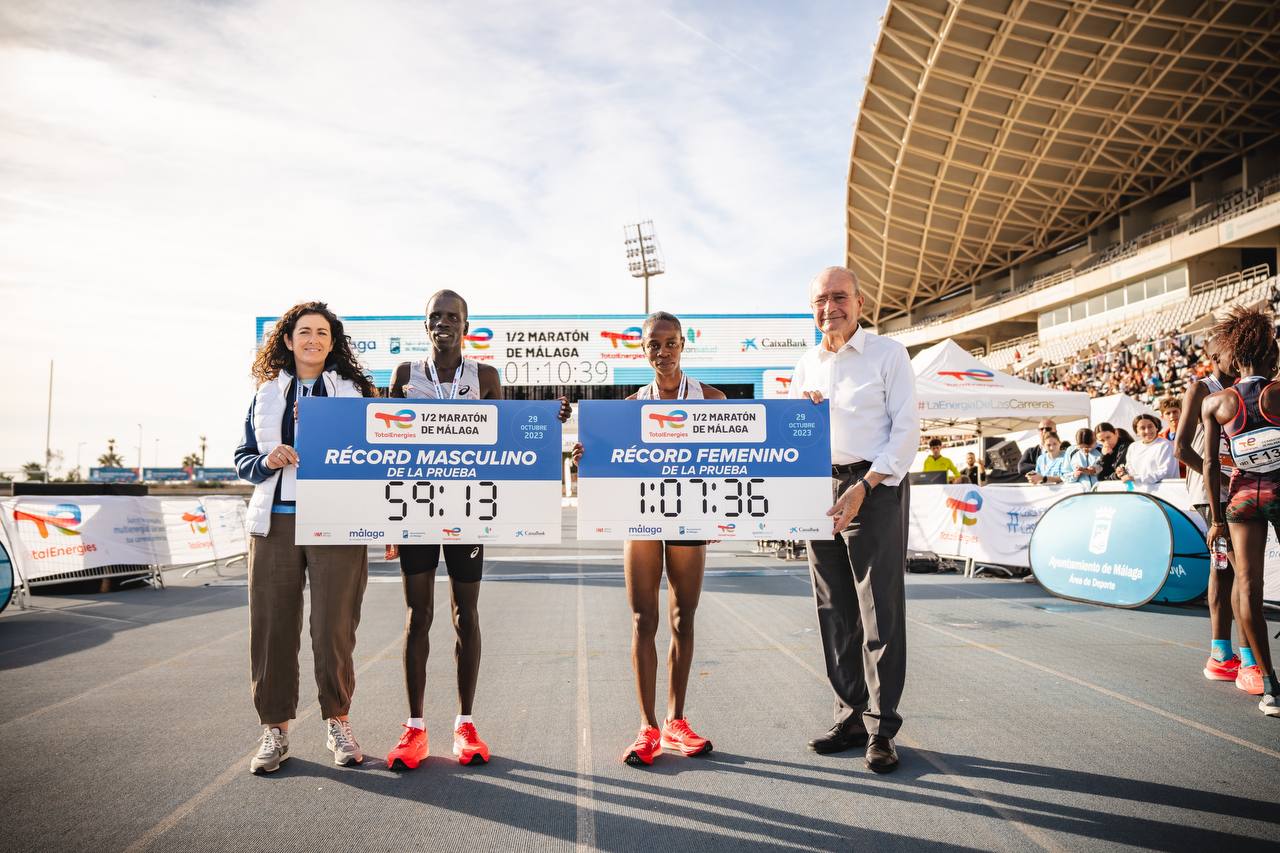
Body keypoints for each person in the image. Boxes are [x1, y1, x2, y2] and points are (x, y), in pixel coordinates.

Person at [383, 289, 572, 769]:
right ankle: (415, 728)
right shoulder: (404, 376)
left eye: (452, 316)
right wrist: (384, 520)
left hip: (468, 508)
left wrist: (550, 420)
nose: (443, 323)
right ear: (424, 324)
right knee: (417, 616)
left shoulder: (484, 376)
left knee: (466, 614)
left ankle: (465, 724)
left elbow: (506, 435)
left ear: (466, 325)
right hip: (417, 510)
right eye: (435, 316)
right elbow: (379, 444)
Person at [572, 310, 725, 767]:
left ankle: (676, 719)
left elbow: (734, 456)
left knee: (684, 618)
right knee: (644, 620)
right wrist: (587, 460)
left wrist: (715, 511)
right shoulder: (628, 405)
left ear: (683, 344)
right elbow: (612, 461)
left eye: (670, 342)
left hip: (689, 516)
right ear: (643, 350)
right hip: (640, 517)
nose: (662, 351)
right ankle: (647, 725)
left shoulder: (711, 398)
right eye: (653, 345)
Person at [235, 301, 378, 774]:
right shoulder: (266, 394)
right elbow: (242, 457)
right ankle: (275, 728)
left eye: (322, 332)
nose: (313, 339)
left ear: (332, 342)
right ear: (289, 340)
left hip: (335, 522)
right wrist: (265, 461)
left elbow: (378, 457)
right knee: (273, 627)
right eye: (304, 331)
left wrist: (384, 523)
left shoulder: (354, 393)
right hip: (275, 522)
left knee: (332, 628)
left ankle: (338, 721)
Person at [791, 267, 918, 773]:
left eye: (839, 297)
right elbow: (792, 435)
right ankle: (848, 715)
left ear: (860, 303)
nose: (830, 307)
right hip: (819, 491)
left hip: (875, 488)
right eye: (821, 299)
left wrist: (863, 488)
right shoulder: (805, 364)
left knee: (878, 611)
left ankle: (882, 727)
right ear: (812, 308)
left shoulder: (890, 354)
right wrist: (801, 415)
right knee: (835, 610)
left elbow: (906, 432)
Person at [1202, 307, 1280, 716]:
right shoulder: (1279, 391)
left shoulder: (1217, 402)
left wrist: (1215, 519)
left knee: (1247, 585)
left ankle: (1270, 688)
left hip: (1242, 497)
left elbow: (1212, 464)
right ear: (1273, 354)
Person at [1175, 334, 1242, 684]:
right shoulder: (1201, 388)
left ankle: (1221, 653)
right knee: (1236, 568)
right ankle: (1241, 658)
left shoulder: (1244, 388)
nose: (1240, 356)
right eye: (1234, 351)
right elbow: (1181, 449)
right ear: (1215, 355)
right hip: (1210, 492)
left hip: (1235, 488)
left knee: (1227, 570)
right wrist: (1219, 475)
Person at [1116, 414, 1179, 484]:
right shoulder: (1133, 447)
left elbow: (1166, 472)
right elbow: (1130, 470)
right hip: (1141, 491)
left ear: (1156, 428)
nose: (1147, 431)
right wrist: (1123, 472)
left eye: (1150, 426)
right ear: (1137, 432)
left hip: (1164, 492)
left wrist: (1137, 478)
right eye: (1142, 428)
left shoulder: (1165, 445)